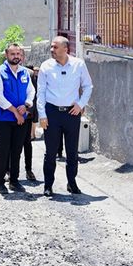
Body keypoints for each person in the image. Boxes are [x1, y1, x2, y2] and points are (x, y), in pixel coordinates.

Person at [37, 36, 93, 196]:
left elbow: (88, 86)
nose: (52, 50)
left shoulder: (78, 64)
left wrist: (81, 104)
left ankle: (72, 183)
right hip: (52, 113)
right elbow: (41, 92)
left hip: (71, 113)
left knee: (72, 151)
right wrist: (42, 114)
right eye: (51, 47)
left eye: (55, 47)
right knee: (50, 152)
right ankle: (48, 186)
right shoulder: (46, 66)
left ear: (65, 49)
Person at [0, 43, 36, 194]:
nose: (16, 56)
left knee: (17, 151)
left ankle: (14, 181)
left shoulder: (24, 73)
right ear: (6, 55)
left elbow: (31, 91)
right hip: (4, 119)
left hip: (21, 119)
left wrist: (26, 105)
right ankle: (0, 183)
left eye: (18, 54)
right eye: (13, 54)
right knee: (3, 151)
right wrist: (15, 112)